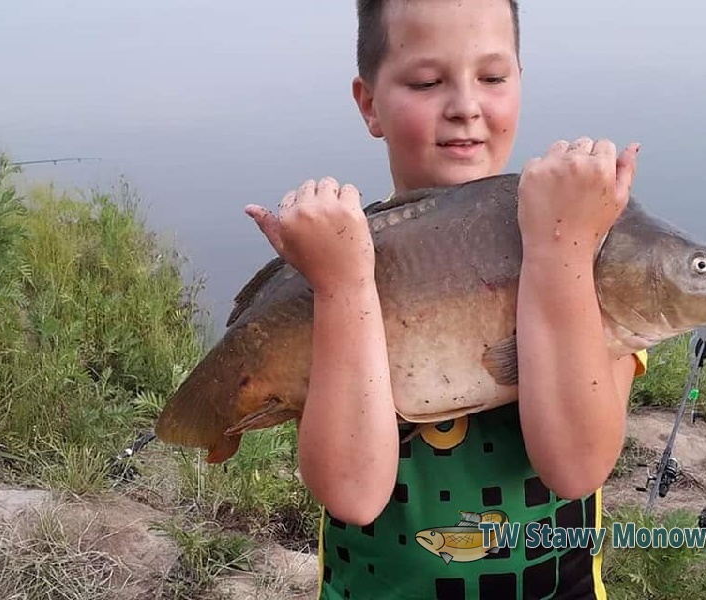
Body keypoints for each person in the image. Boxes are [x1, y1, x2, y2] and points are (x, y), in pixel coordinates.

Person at [244, 0, 646, 597]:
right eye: (427, 82)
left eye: (493, 77)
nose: (465, 107)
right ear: (369, 103)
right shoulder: (338, 260)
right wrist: (341, 287)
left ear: (521, 81)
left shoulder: (590, 243)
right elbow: (353, 494)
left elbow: (577, 467)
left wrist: (562, 252)